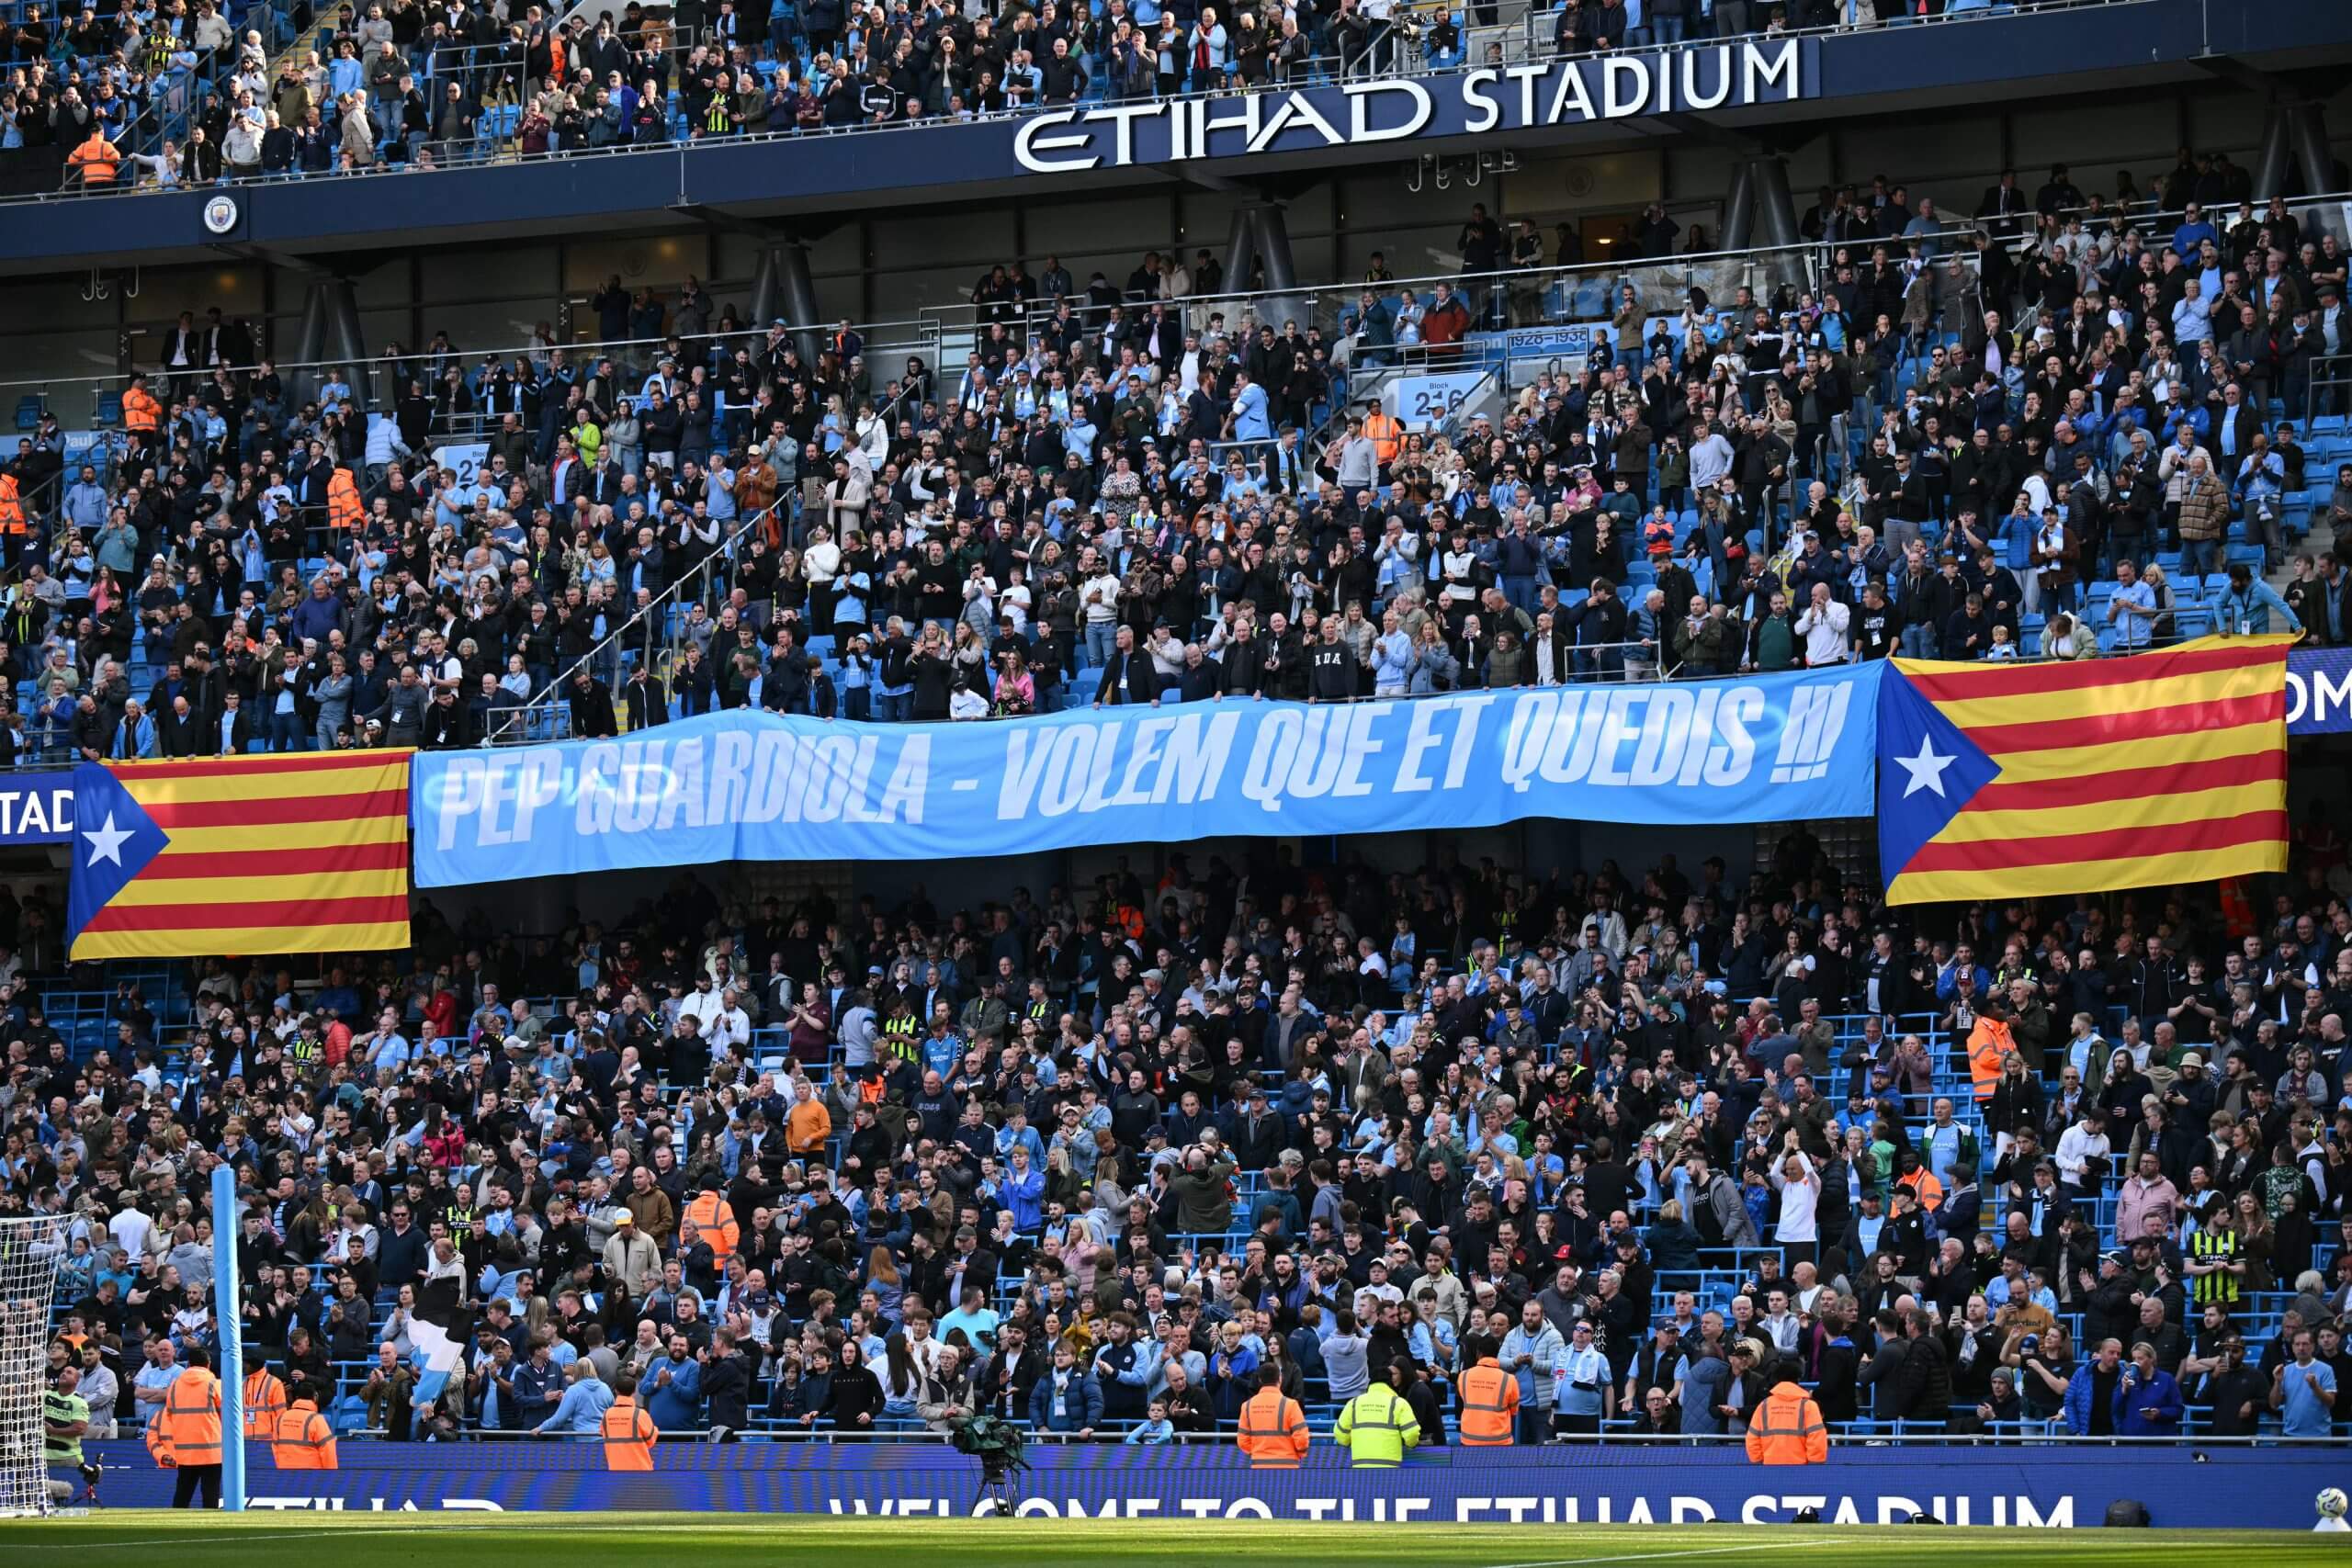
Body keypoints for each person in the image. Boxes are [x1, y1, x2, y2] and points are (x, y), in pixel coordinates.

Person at [164, 1344, 224, 1508]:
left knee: (182, 1495)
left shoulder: (174, 1386)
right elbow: (227, 1416)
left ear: (188, 1364)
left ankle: (175, 1528)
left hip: (185, 1451)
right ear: (209, 1364)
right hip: (211, 1450)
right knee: (210, 1496)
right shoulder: (214, 1384)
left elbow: (169, 1414)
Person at [1332, 1365, 1420, 1467]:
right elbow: (1412, 1434)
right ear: (1390, 1382)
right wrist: (1411, 1444)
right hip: (1389, 1470)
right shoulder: (1399, 1403)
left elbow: (1340, 1435)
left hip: (1360, 1468)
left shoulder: (1354, 1403)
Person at [1744, 1364, 1828, 1465]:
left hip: (1769, 1470)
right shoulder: (1809, 1406)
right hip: (1802, 1472)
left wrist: (1759, 1463)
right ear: (1797, 1380)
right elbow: (1817, 1440)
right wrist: (1814, 1466)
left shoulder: (1764, 1406)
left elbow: (1752, 1439)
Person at [1235, 1371, 1309, 1469]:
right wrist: (1299, 1453)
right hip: (1288, 1465)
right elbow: (1302, 1439)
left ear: (1260, 1380)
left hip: (1259, 1465)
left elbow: (1242, 1441)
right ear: (1280, 1379)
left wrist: (1258, 1453)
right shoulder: (1291, 1405)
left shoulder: (1247, 1406)